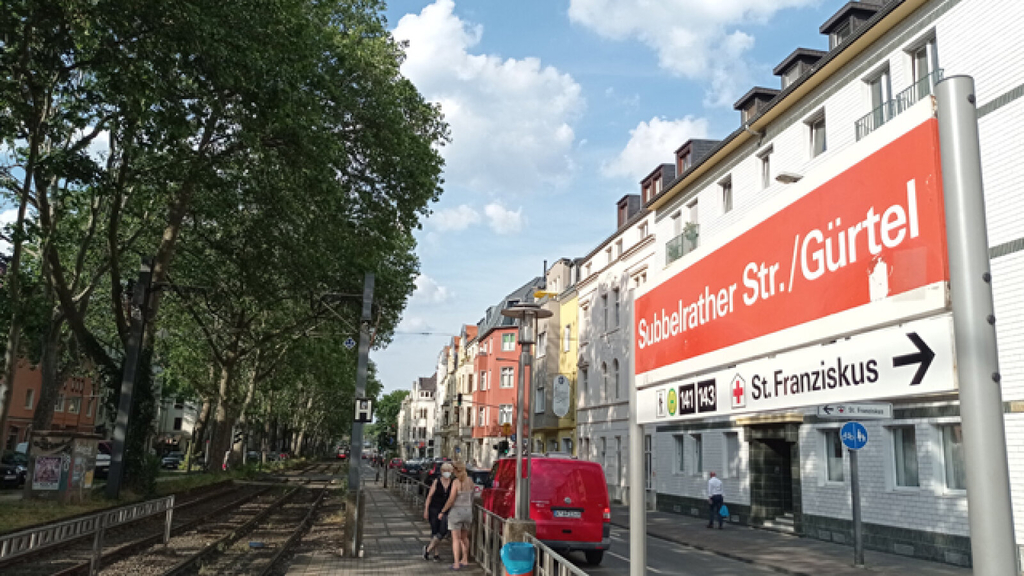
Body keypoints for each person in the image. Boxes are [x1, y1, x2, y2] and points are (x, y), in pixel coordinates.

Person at [439, 461, 473, 570]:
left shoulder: (456, 482)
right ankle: (465, 559)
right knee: (464, 537)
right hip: (467, 512)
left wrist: (443, 511)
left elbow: (451, 500)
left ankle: (456, 563)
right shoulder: (470, 481)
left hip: (456, 513)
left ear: (456, 471)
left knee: (456, 539)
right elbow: (472, 496)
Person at [422, 462, 454, 561]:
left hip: (445, 511)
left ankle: (427, 549)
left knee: (443, 531)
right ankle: (436, 554)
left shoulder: (453, 483)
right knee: (435, 531)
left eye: (448, 471)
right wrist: (426, 510)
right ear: (441, 471)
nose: (446, 473)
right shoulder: (437, 481)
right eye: (444, 471)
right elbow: (429, 496)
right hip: (434, 509)